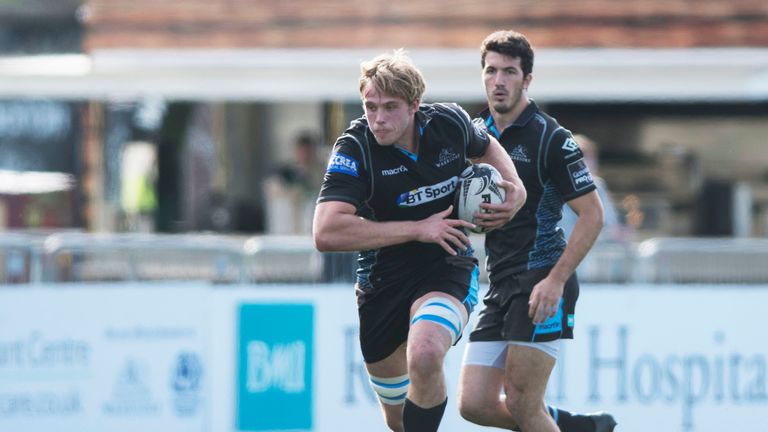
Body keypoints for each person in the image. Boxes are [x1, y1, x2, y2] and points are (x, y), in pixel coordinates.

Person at [313, 49, 526, 432]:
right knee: (400, 423)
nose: (378, 118)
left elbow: (487, 147)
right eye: (370, 106)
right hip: (381, 284)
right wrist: (417, 228)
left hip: (445, 264)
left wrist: (516, 188)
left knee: (426, 354)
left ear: (415, 105)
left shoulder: (449, 122)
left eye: (390, 107)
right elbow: (326, 231)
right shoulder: (355, 148)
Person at [457, 30, 617, 432]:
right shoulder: (475, 135)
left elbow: (592, 214)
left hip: (542, 279)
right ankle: (569, 426)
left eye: (509, 72)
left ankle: (549, 421)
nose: (499, 80)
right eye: (491, 71)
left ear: (527, 80)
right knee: (473, 404)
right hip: (501, 282)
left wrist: (556, 281)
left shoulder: (552, 139)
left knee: (523, 401)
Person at [559, 134, 625, 243]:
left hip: (597, 252)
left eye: (589, 156)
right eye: (579, 156)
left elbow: (610, 224)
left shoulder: (598, 186)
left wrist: (619, 233)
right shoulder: (553, 188)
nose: (585, 162)